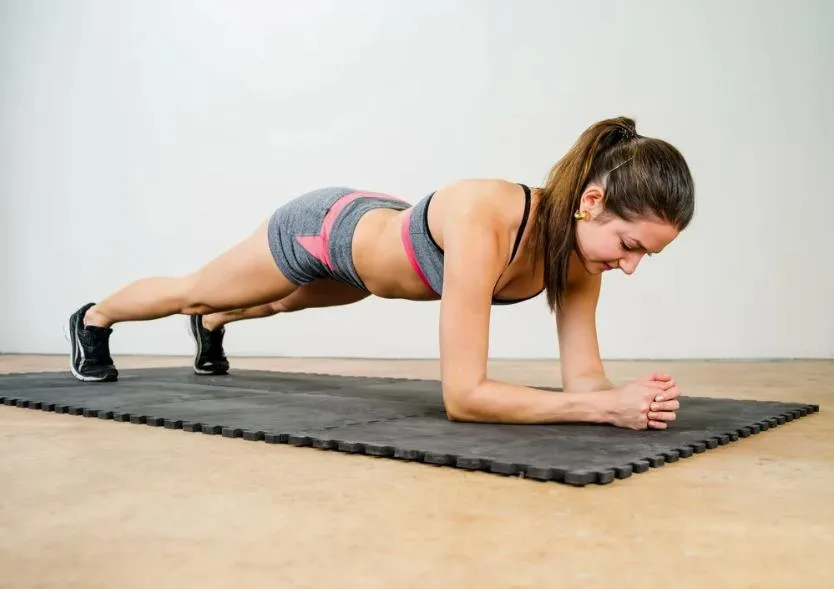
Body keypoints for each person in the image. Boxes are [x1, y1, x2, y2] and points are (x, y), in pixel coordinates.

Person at [67, 116, 695, 431]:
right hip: (324, 229)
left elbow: (584, 379)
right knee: (194, 291)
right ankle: (95, 319)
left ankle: (214, 326)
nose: (629, 266)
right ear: (590, 201)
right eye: (629, 245)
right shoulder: (488, 218)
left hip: (369, 261)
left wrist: (627, 399)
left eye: (645, 255)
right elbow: (464, 396)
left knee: (278, 302)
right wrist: (599, 410)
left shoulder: (581, 255)